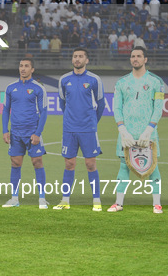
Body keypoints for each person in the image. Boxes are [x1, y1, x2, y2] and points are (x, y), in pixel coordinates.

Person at [108, 46, 164, 214]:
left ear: (145, 59)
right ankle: (118, 203)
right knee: (123, 166)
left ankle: (157, 204)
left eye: (139, 56)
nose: (135, 59)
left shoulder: (156, 82)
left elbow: (158, 108)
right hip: (127, 134)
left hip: (148, 134)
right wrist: (122, 129)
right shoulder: (121, 82)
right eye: (133, 56)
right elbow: (116, 107)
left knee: (153, 167)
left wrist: (149, 129)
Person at [54, 48, 105, 211]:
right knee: (69, 163)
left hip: (88, 129)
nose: (77, 59)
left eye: (81, 56)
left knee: (90, 164)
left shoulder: (94, 79)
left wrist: (92, 122)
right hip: (69, 129)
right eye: (75, 56)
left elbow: (101, 104)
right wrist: (71, 118)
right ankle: (65, 200)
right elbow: (63, 103)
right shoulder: (64, 79)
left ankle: (96, 200)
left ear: (86, 60)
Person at [1, 58, 49, 209]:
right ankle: (14, 198)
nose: (23, 69)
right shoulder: (10, 88)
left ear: (32, 70)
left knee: (37, 162)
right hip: (15, 133)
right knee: (15, 163)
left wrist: (38, 133)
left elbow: (44, 112)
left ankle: (42, 198)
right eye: (21, 66)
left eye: (26, 66)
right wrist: (5, 130)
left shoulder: (38, 88)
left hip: (32, 133)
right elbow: (5, 111)